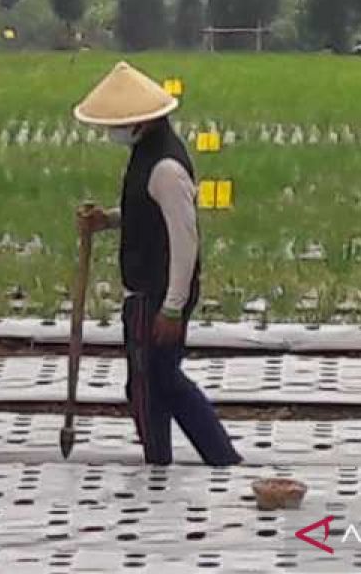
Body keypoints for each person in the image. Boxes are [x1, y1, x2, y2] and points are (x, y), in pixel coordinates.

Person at [73, 61, 241, 467]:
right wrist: (109, 220)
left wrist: (172, 306)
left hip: (158, 292)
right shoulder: (146, 154)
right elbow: (148, 214)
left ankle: (215, 458)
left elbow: (185, 240)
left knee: (156, 382)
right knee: (151, 382)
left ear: (139, 121)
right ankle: (165, 458)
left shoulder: (165, 168)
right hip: (148, 290)